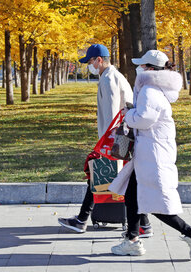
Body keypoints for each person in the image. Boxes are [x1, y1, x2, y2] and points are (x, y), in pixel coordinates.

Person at [108, 49, 191, 259]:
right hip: (150, 151)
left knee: (154, 201)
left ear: (150, 69)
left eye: (142, 65)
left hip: (151, 153)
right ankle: (132, 240)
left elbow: (144, 119)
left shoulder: (149, 90)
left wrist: (128, 114)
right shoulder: (156, 89)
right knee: (133, 196)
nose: (139, 68)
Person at [58, 44, 152, 236]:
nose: (89, 65)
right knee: (120, 179)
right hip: (121, 137)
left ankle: (82, 219)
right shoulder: (113, 76)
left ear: (99, 60)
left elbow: (111, 113)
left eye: (90, 61)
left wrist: (106, 144)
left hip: (116, 139)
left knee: (100, 176)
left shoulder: (108, 79)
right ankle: (143, 223)